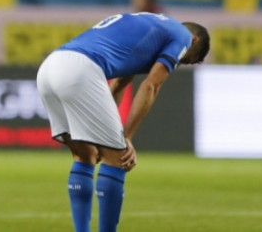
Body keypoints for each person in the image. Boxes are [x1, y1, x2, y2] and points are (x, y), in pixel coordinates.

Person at [36, 12, 210, 232]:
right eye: (191, 59)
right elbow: (151, 86)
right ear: (194, 40)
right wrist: (125, 137)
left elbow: (119, 83)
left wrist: (103, 132)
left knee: (85, 154)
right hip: (80, 70)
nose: (184, 62)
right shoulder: (182, 35)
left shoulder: (151, 29)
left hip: (50, 68)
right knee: (118, 159)